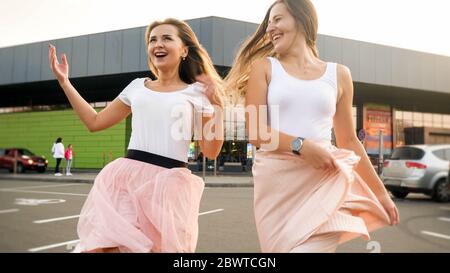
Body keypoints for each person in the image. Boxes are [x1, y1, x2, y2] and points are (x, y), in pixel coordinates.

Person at [225, 0, 399, 252]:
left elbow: (349, 140)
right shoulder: (263, 68)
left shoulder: (339, 74)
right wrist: (301, 146)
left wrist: (381, 193)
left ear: (302, 19)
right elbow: (256, 132)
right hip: (277, 189)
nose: (270, 28)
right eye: (268, 23)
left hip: (323, 183)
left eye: (277, 19)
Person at [49, 18, 225, 253]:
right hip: (126, 179)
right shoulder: (137, 87)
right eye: (153, 40)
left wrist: (218, 107)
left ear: (184, 50)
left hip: (167, 187)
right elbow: (94, 121)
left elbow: (211, 151)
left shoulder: (198, 94)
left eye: (166, 38)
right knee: (104, 247)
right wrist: (64, 82)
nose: (157, 44)